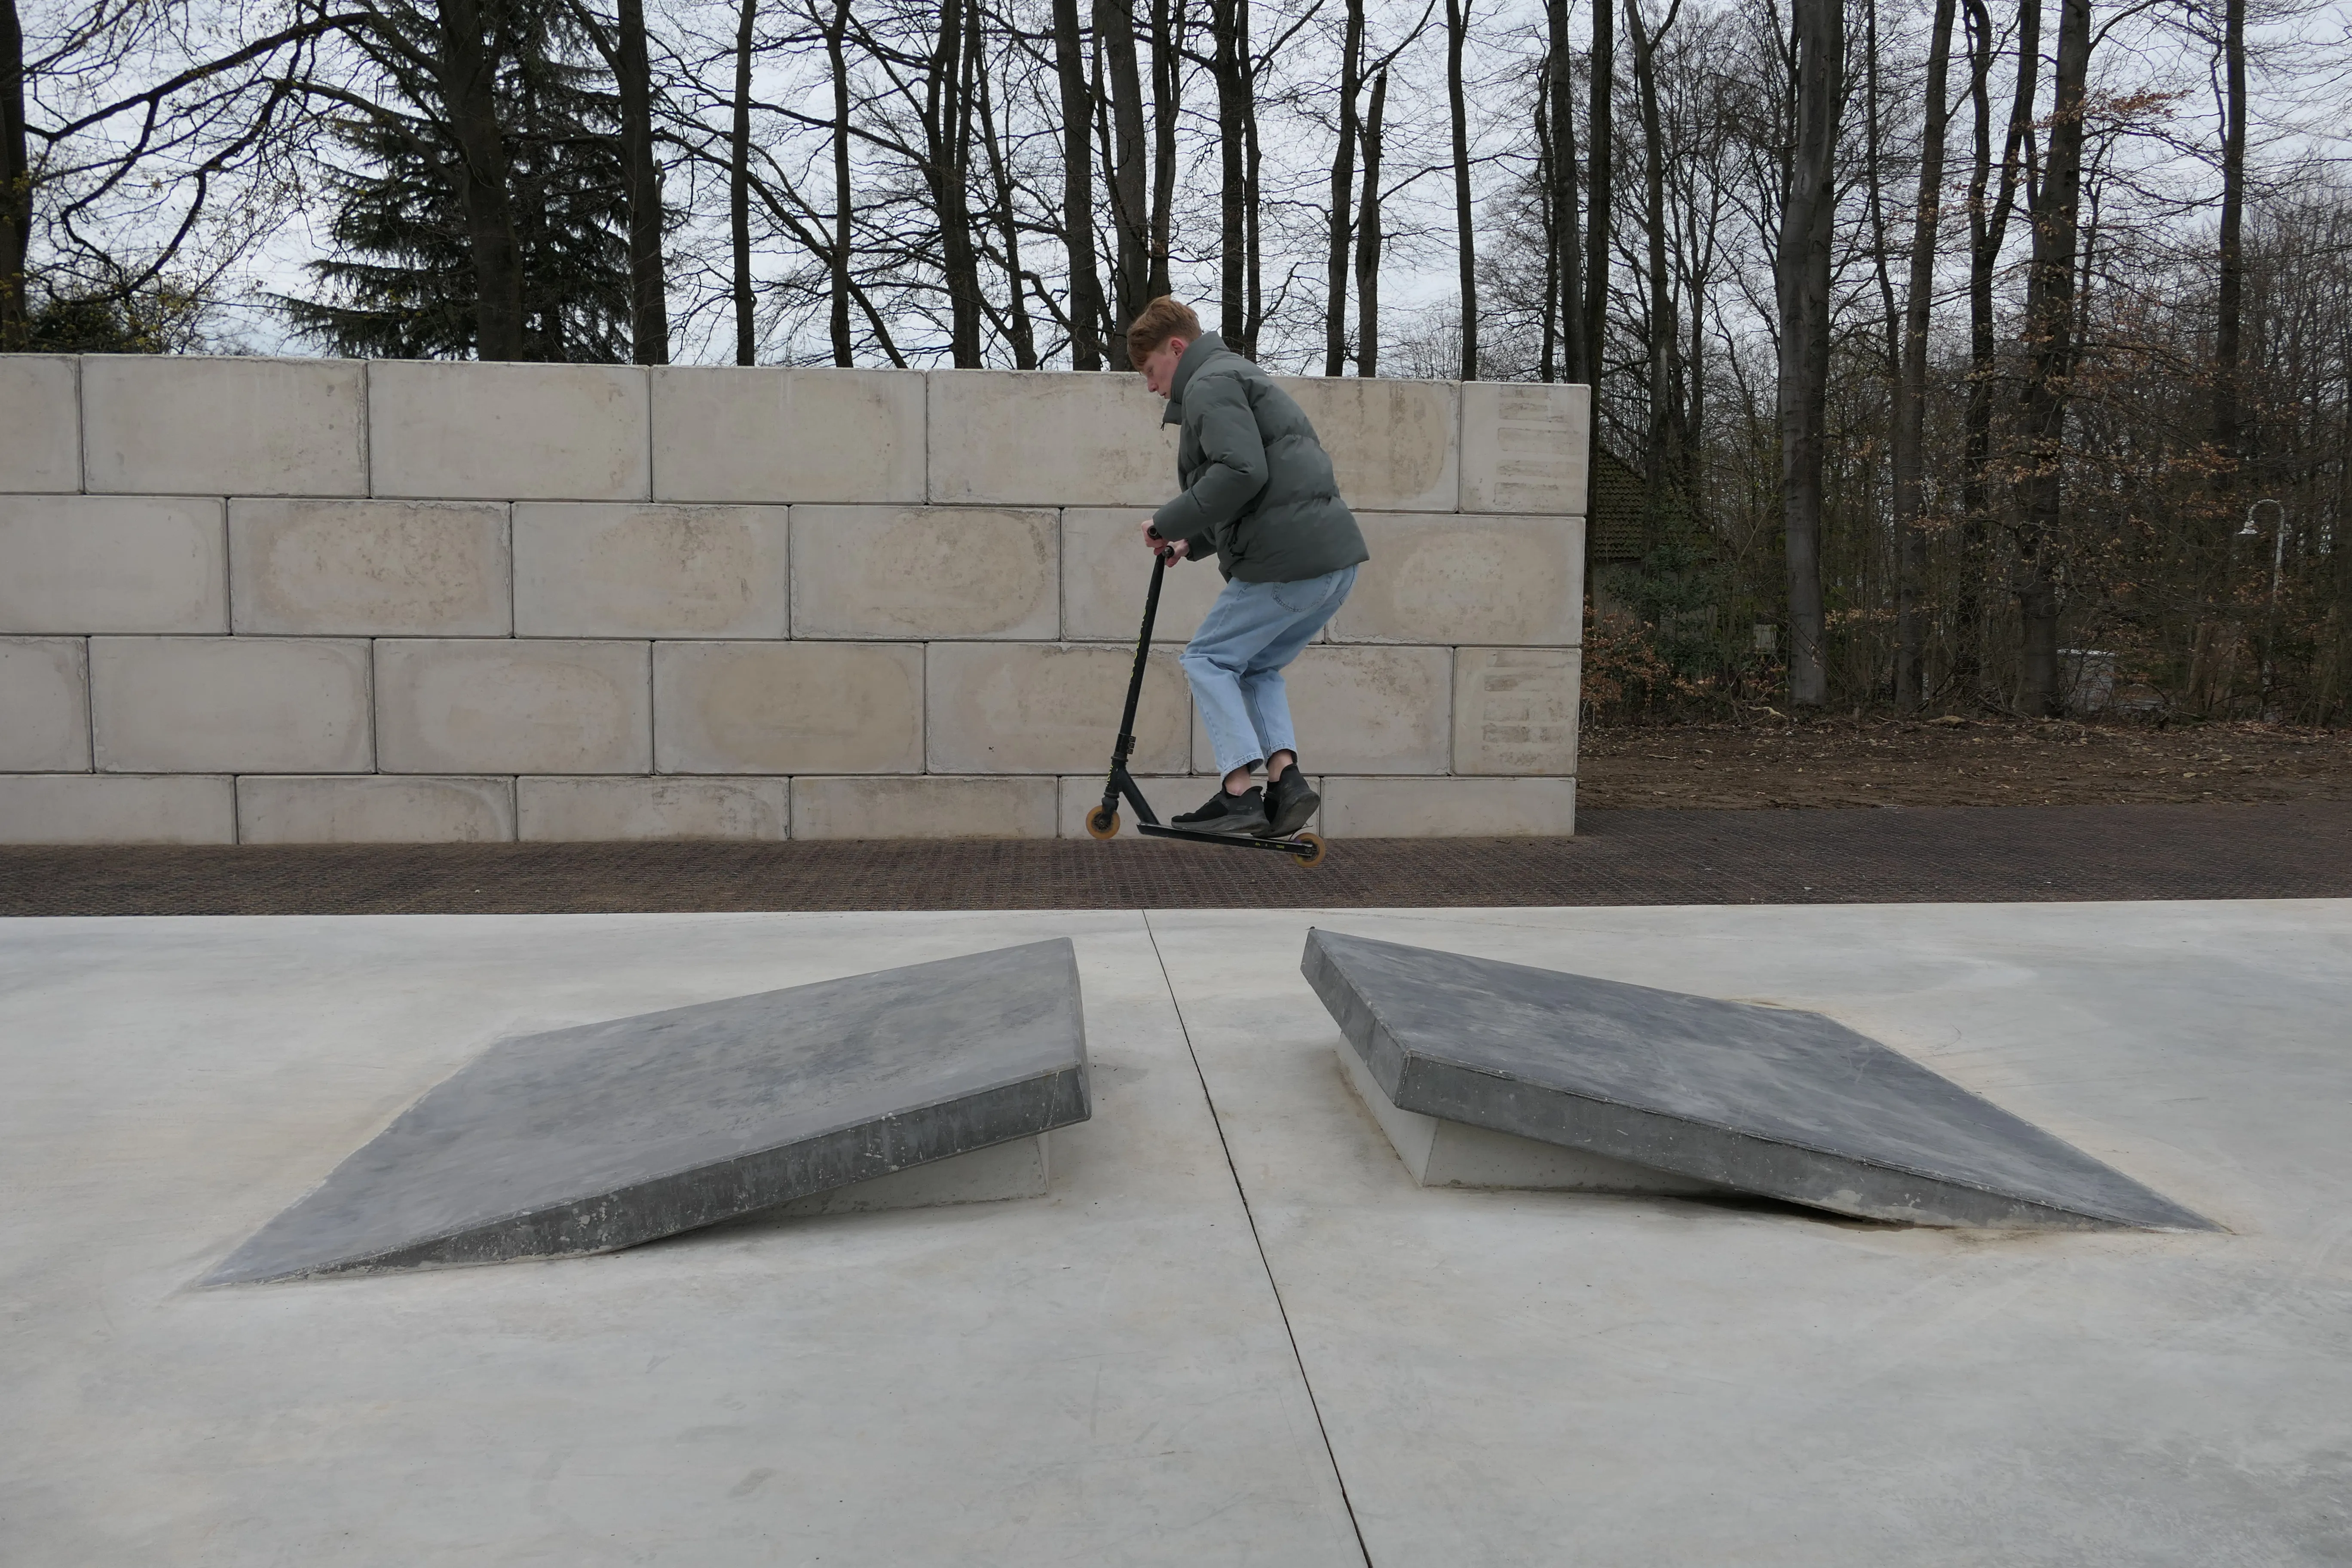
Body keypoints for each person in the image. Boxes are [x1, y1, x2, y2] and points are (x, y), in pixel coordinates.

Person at [1130, 297, 1369, 839]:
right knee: (1257, 669)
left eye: (1150, 371)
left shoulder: (1209, 384)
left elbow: (1241, 471)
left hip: (1287, 562)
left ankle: (1239, 791)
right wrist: (1193, 540)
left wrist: (1167, 521)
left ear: (1176, 348)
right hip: (1330, 564)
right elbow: (1262, 483)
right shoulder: (1235, 375)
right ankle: (1286, 781)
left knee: (1208, 659)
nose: (1149, 386)